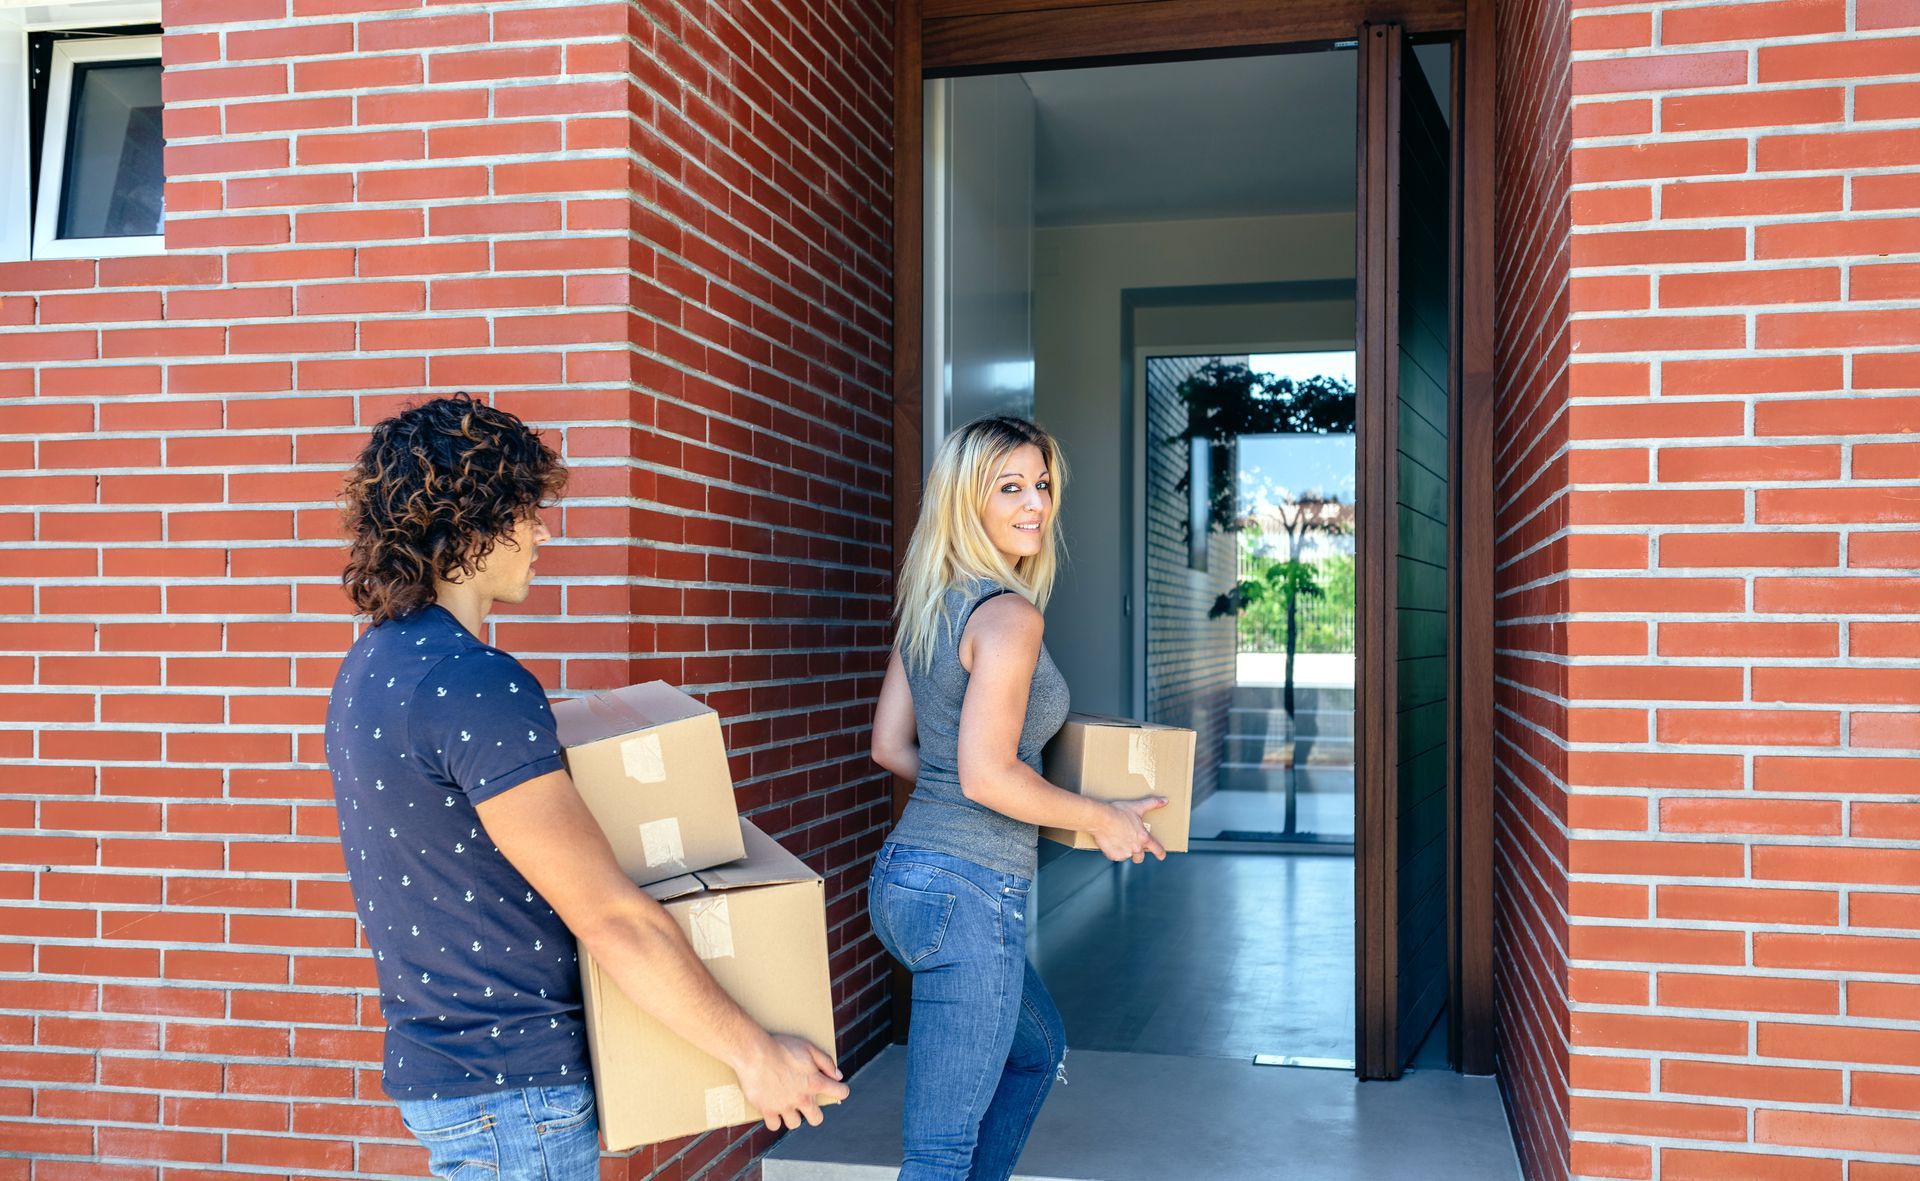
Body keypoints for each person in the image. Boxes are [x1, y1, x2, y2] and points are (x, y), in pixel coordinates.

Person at [324, 394, 848, 1180]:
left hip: (451, 1070)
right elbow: (610, 917)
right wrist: (757, 1054)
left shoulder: (369, 668)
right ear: (470, 524)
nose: (542, 533)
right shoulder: (475, 684)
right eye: (527, 512)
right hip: (515, 1093)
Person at [868, 415, 1166, 1181]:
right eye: (1010, 487)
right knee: (938, 1151)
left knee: (1036, 1051)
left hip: (906, 878)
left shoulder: (933, 602)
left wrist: (967, 782)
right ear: (969, 500)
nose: (1034, 503)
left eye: (1041, 485)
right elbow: (987, 775)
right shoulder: (1009, 615)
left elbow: (890, 746)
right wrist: (1105, 817)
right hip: (969, 891)